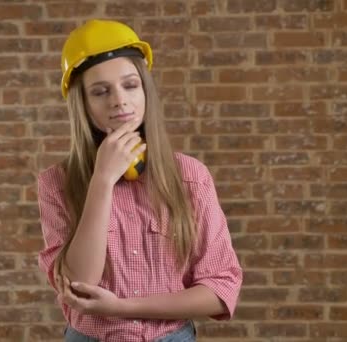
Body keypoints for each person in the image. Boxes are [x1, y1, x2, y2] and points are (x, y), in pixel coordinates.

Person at [37, 19, 242, 342]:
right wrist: (102, 179)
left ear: (145, 89)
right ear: (84, 105)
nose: (119, 100)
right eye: (101, 91)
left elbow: (220, 290)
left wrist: (121, 307)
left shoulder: (191, 177)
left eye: (130, 85)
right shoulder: (56, 183)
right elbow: (79, 283)